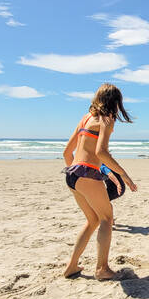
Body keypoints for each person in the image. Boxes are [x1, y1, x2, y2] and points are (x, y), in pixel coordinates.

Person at [62, 83, 138, 279]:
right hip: (86, 174)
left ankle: (71, 266)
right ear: (115, 103)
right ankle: (102, 269)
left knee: (93, 220)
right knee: (106, 218)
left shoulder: (86, 118)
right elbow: (101, 152)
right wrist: (123, 174)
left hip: (72, 174)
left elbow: (66, 152)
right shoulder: (107, 120)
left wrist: (76, 175)